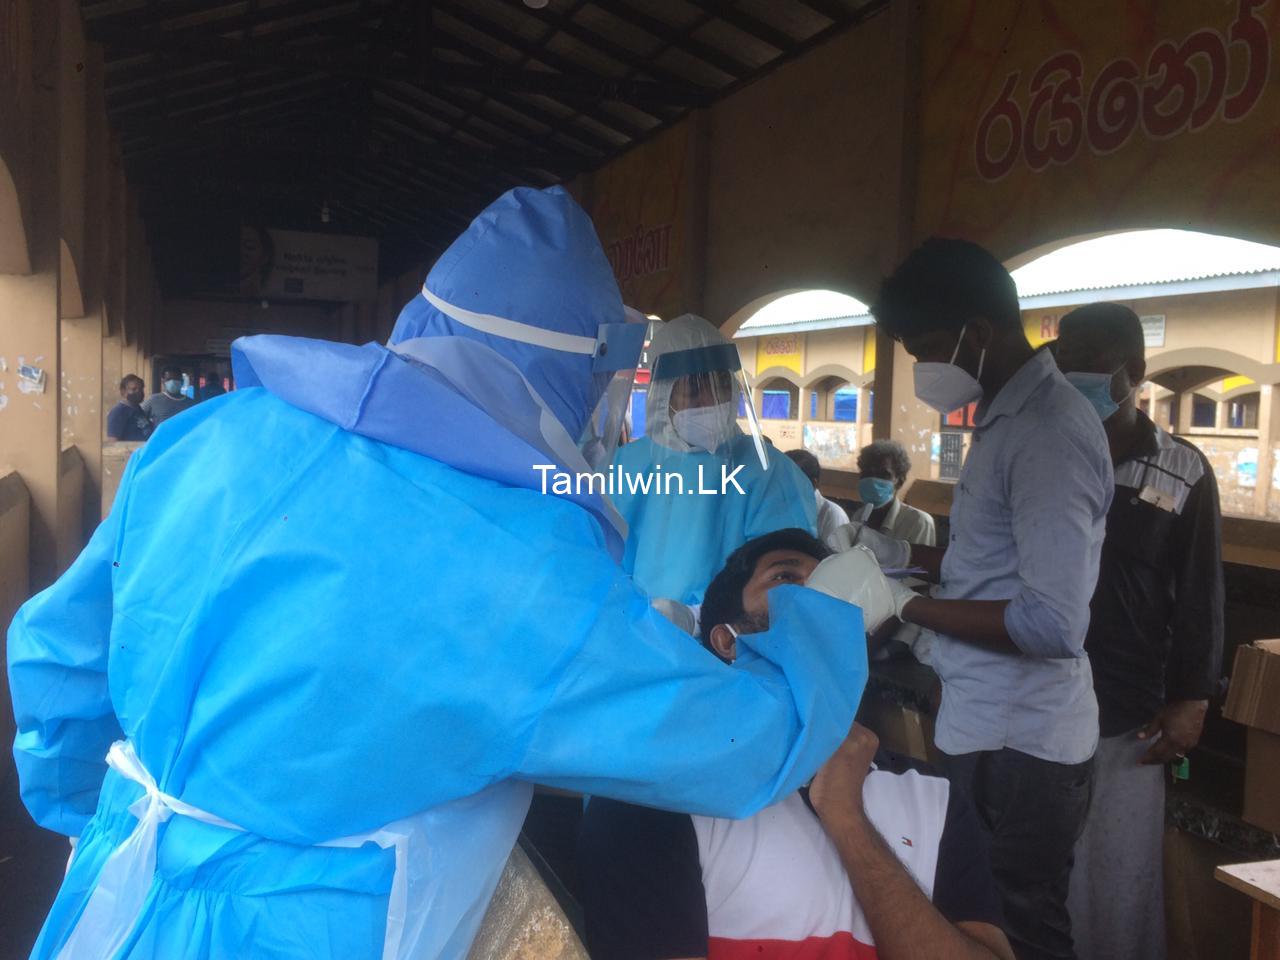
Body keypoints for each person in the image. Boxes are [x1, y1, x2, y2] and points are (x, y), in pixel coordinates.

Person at [9, 186, 873, 960]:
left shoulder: (207, 437)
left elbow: (53, 653)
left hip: (113, 899)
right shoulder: (528, 573)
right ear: (572, 376)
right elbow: (744, 745)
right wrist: (825, 618)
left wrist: (112, 822)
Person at [848, 239, 1113, 960]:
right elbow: (986, 565)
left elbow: (1050, 622)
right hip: (986, 724)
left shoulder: (1048, 433)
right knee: (979, 913)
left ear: (981, 331)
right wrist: (894, 556)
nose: (923, 369)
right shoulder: (1002, 419)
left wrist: (903, 604)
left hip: (1022, 744)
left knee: (1016, 928)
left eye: (931, 348)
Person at [578, 528, 1015, 960]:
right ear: (728, 639)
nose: (821, 595)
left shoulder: (932, 795)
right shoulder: (658, 796)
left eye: (831, 580)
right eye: (786, 578)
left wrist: (848, 820)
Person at [1055, 304, 1223, 960]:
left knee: (1120, 874)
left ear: (1135, 371)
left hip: (1131, 707)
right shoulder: (1043, 453)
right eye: (1066, 360)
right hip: (1039, 694)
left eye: (1091, 363)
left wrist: (1191, 699)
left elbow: (1201, 592)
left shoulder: (1182, 468)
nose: (1075, 374)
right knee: (1043, 867)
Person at [611, 314, 817, 605]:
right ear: (662, 395)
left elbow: (786, 575)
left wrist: (701, 618)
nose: (711, 401)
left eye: (720, 384)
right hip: (632, 626)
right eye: (694, 389)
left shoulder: (769, 471)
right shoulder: (624, 466)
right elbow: (602, 555)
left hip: (729, 631)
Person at [854, 439, 936, 546]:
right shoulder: (858, 517)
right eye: (867, 473)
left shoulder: (918, 523)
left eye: (883, 475)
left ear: (900, 482)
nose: (873, 480)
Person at [785, 447, 851, 546]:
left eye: (792, 481)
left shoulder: (832, 515)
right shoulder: (780, 509)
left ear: (813, 483)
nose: (784, 486)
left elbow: (835, 555)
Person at [105, 375, 153, 442]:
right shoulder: (118, 412)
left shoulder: (138, 408)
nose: (138, 392)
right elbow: (113, 442)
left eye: (141, 389)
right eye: (134, 389)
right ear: (123, 392)